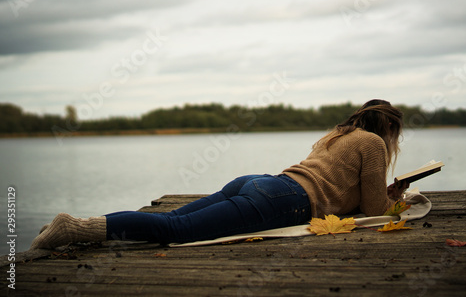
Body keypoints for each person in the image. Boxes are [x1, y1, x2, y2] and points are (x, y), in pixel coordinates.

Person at [30, 99, 408, 250]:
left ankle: (85, 227)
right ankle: (74, 228)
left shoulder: (337, 135)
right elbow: (371, 208)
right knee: (176, 233)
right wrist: (396, 201)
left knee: (173, 218)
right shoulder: (372, 144)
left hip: (261, 183)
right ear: (388, 129)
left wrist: (386, 191)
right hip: (287, 201)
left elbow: (341, 187)